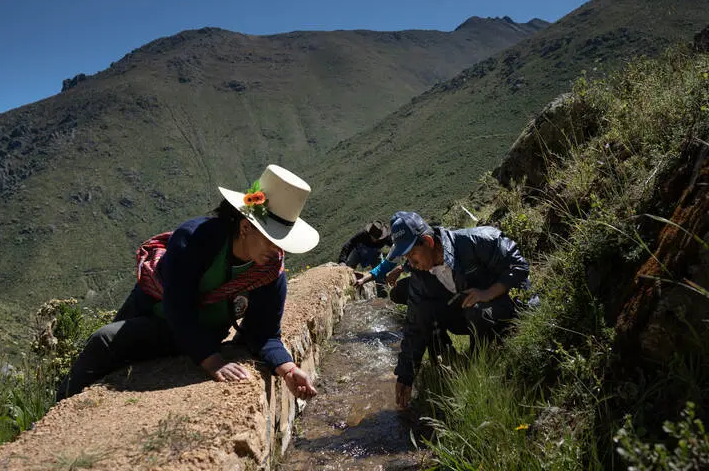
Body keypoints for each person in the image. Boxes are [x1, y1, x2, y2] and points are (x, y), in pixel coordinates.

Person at [57, 164, 320, 402]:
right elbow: (178, 307)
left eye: (281, 242)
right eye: (271, 239)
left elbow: (264, 333)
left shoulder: (270, 271)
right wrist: (212, 361)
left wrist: (287, 369)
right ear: (245, 227)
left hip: (202, 334)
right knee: (105, 341)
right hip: (158, 318)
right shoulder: (195, 240)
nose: (277, 251)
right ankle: (61, 404)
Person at [382, 211, 530, 409]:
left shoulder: (477, 241)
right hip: (468, 313)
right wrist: (405, 375)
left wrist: (489, 292)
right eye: (406, 258)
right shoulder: (421, 274)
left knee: (475, 309)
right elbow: (416, 324)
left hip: (504, 307)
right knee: (428, 314)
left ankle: (480, 366)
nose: (410, 263)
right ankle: (445, 361)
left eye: (412, 254)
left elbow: (519, 266)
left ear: (428, 241)